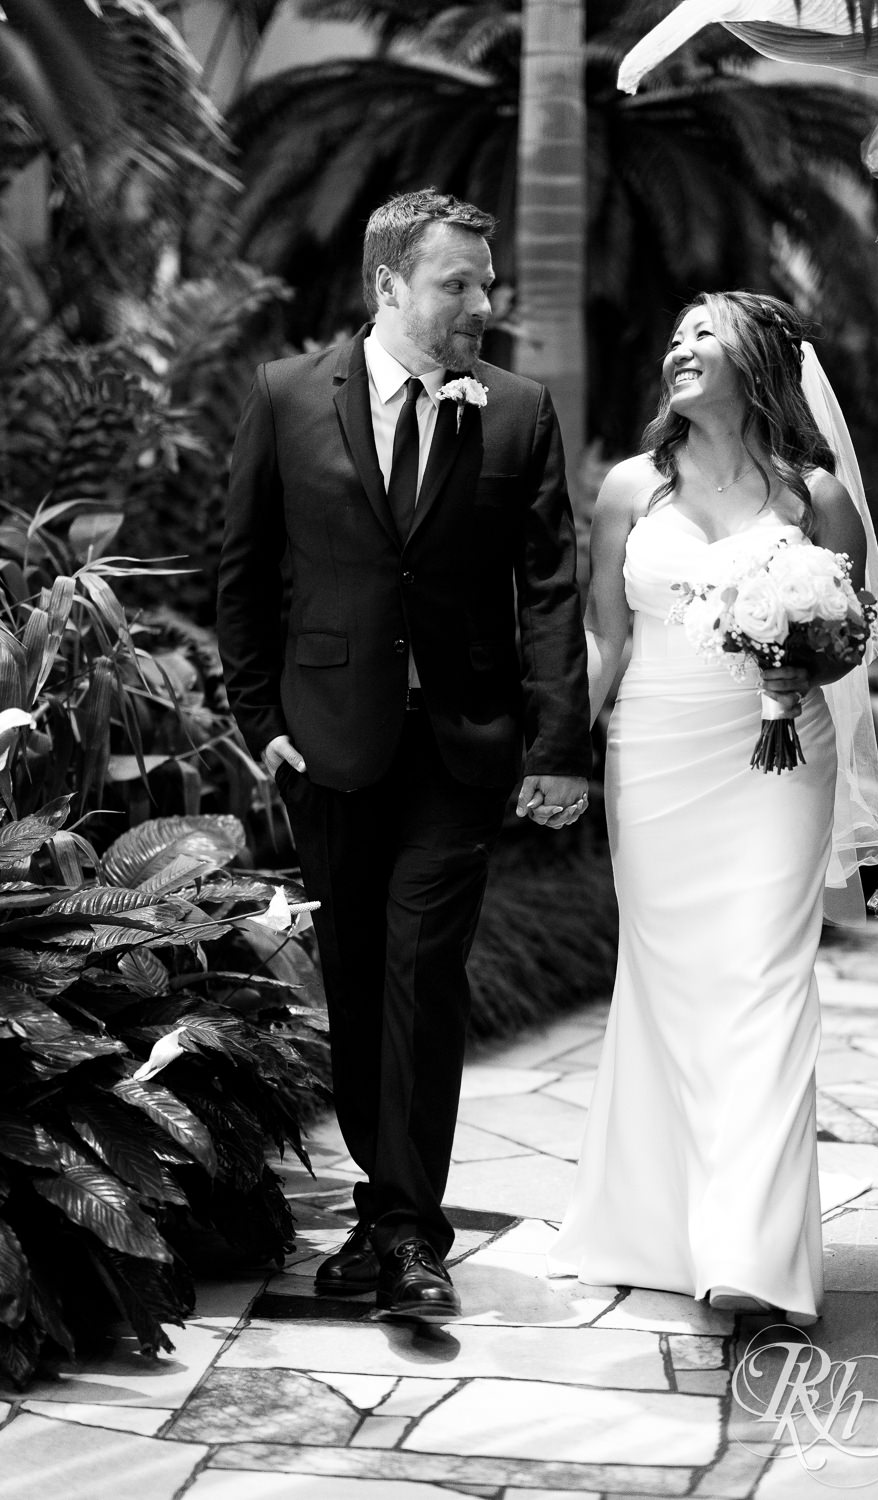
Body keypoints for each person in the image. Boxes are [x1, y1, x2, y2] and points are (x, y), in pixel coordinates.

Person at [217, 190, 591, 1324]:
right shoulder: (286, 396)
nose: (484, 300)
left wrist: (561, 743)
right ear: (389, 286)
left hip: (460, 747)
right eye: (457, 282)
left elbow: (551, 589)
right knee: (357, 980)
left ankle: (410, 1232)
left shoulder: (519, 412)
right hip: (327, 741)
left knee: (423, 970)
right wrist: (257, 719)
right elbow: (242, 567)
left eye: (485, 280)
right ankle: (385, 1219)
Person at [547, 291, 878, 1325]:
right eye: (675, 333)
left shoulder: (815, 498)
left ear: (761, 363)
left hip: (776, 761)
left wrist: (795, 655)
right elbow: (604, 639)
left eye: (704, 334)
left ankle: (750, 1248)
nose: (677, 346)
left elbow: (852, 633)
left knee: (762, 979)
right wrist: (556, 752)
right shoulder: (625, 490)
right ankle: (655, 1227)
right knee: (664, 982)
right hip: (653, 759)